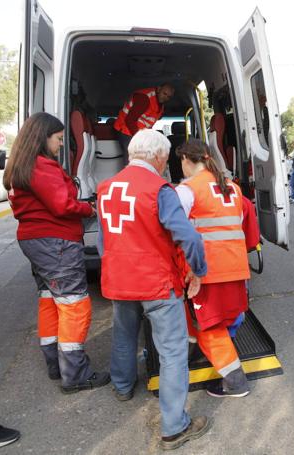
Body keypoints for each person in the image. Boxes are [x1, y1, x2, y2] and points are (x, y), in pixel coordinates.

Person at [96, 129, 211, 450]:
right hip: (157, 283)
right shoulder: (160, 190)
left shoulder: (105, 189)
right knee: (172, 351)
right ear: (160, 157)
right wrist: (199, 271)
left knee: (123, 334)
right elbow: (188, 238)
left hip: (120, 280)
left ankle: (121, 386)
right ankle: (174, 427)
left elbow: (104, 241)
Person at [2, 112, 109, 394]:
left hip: (35, 241)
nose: (61, 145)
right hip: (56, 242)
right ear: (43, 136)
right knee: (75, 304)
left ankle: (55, 365)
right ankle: (75, 374)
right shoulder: (42, 167)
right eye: (59, 139)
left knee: (50, 301)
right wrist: (90, 209)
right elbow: (63, 205)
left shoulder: (20, 167)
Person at [174, 139, 253, 397]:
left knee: (208, 327)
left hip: (206, 272)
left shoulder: (187, 190)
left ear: (187, 159)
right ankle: (212, 359)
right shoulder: (232, 187)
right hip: (236, 267)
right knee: (227, 319)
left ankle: (234, 380)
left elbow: (176, 231)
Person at [113, 83, 175, 160]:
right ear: (159, 89)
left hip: (137, 132)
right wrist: (139, 138)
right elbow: (130, 120)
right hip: (126, 130)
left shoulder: (160, 106)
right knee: (133, 160)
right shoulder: (144, 98)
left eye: (168, 97)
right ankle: (131, 171)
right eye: (164, 93)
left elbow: (148, 123)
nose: (165, 97)